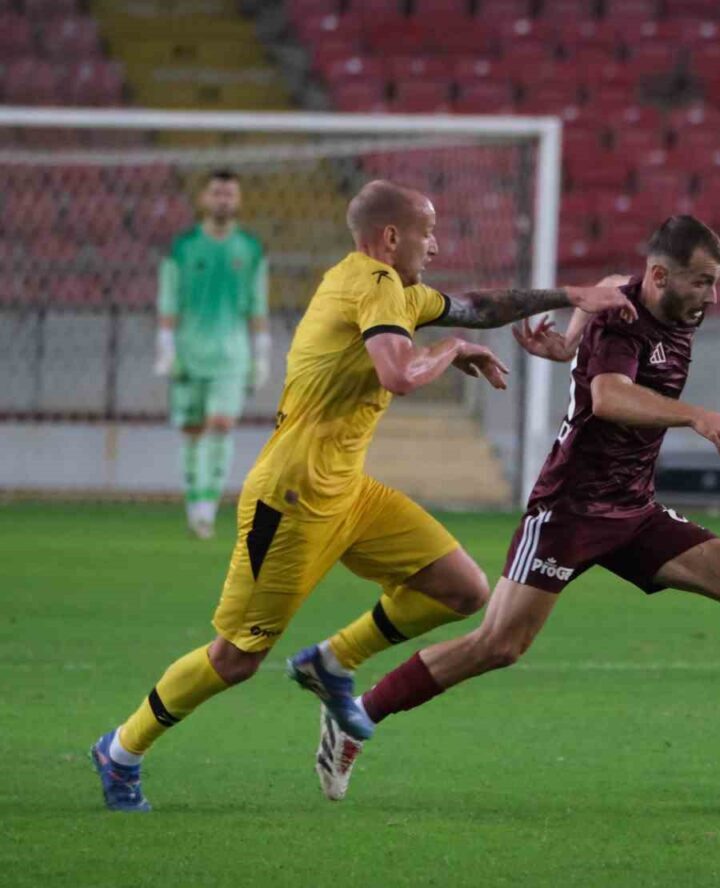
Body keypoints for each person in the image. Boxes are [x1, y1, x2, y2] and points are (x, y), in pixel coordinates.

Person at [90, 179, 635, 812]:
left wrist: (570, 295)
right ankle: (121, 749)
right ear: (392, 237)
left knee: (462, 589)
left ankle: (331, 662)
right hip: (291, 499)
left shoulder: (391, 289)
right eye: (427, 233)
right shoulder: (371, 284)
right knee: (235, 658)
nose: (434, 245)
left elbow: (479, 305)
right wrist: (451, 349)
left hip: (348, 491)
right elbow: (399, 375)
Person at [297, 215, 720, 803]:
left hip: (633, 509)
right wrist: (694, 415)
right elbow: (607, 398)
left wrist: (567, 344)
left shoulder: (656, 303)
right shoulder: (624, 320)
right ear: (659, 275)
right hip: (569, 510)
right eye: (702, 281)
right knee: (498, 644)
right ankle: (356, 716)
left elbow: (608, 287)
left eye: (715, 281)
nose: (712, 295)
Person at [154, 169, 271, 539]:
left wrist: (262, 353)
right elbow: (169, 298)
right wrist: (166, 347)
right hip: (189, 354)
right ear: (204, 199)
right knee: (191, 431)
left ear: (238, 200)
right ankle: (194, 503)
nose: (223, 200)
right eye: (217, 193)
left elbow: (258, 304)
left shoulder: (250, 249)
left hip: (232, 357)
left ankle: (207, 507)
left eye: (229, 194)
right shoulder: (183, 247)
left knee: (220, 426)